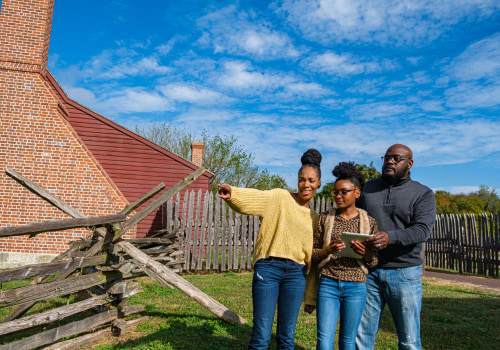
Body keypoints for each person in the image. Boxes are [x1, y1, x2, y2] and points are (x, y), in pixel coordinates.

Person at [218, 149, 322, 350]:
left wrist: (310, 296)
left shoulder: (315, 218)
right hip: (268, 268)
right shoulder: (280, 197)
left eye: (311, 180)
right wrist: (234, 194)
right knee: (261, 335)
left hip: (297, 275)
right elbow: (255, 198)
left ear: (319, 183)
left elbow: (312, 260)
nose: (306, 185)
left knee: (287, 337)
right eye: (302, 180)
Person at [355, 144, 437, 350]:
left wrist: (389, 237)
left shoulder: (423, 194)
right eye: (386, 158)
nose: (390, 162)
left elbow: (421, 231)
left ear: (409, 164)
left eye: (396, 158)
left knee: (409, 341)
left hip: (404, 273)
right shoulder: (367, 189)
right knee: (362, 336)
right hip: (369, 271)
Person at [304, 161, 378, 350]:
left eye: (343, 192)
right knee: (324, 340)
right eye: (335, 192)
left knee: (348, 340)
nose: (338, 196)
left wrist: (365, 253)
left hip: (356, 287)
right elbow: (311, 253)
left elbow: (375, 260)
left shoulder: (369, 222)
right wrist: (327, 250)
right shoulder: (325, 218)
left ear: (357, 192)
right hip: (328, 284)